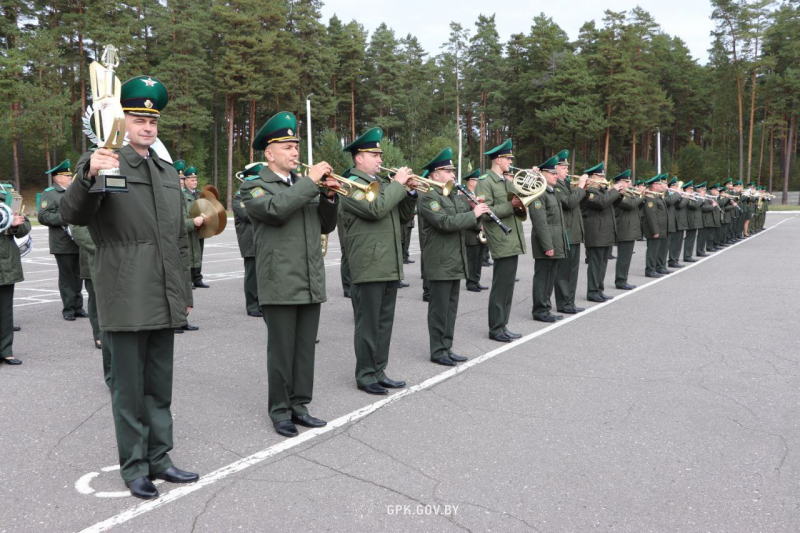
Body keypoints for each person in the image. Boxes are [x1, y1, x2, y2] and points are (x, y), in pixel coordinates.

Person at [61, 75, 198, 500]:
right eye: (139, 119)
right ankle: (135, 466)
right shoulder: (105, 160)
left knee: (160, 384)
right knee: (128, 388)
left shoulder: (164, 168)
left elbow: (177, 238)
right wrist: (87, 175)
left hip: (162, 291)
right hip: (123, 292)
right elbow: (73, 213)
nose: (147, 127)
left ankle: (161, 458)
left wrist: (185, 295)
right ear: (123, 120)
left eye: (152, 121)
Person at [240, 112, 339, 437]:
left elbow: (326, 225)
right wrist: (311, 184)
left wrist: (329, 196)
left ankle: (300, 405)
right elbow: (276, 210)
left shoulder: (303, 185)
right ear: (269, 153)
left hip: (310, 279)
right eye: (287, 147)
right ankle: (280, 410)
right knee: (282, 351)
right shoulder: (254, 186)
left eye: (296, 146)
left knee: (305, 348)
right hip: (280, 282)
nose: (295, 152)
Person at [340, 127, 416, 395]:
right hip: (369, 264)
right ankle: (365, 374)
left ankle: (379, 370)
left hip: (388, 262)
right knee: (368, 324)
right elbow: (375, 209)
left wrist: (410, 191)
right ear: (359, 157)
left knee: (384, 323)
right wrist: (397, 184)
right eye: (374, 154)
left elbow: (404, 216)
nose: (380, 159)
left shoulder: (383, 185)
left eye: (380, 154)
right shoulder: (349, 184)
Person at [418, 148, 488, 365]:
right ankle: (437, 350)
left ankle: (447, 347)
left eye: (452, 171)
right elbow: (445, 223)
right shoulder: (429, 196)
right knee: (439, 310)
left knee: (450, 308)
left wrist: (475, 209)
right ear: (434, 175)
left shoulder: (454, 196)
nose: (452, 175)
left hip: (455, 259)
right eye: (447, 171)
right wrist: (472, 213)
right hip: (440, 261)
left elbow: (465, 222)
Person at [475, 139, 525, 343]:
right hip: (501, 237)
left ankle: (503, 324)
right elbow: (486, 213)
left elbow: (520, 202)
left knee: (508, 286)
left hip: (512, 237)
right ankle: (495, 327)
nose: (511, 162)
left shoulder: (507, 181)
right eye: (508, 158)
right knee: (500, 286)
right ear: (498, 159)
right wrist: (511, 205)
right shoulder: (484, 181)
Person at [38, 160, 87, 321]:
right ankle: (68, 308)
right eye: (67, 175)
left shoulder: (73, 191)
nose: (70, 177)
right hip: (62, 242)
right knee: (67, 277)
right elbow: (43, 217)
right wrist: (66, 218)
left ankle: (78, 307)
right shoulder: (50, 193)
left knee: (79, 276)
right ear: (58, 178)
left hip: (77, 241)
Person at [530, 155, 568, 322]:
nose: (556, 176)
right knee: (542, 278)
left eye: (556, 173)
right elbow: (540, 223)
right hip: (546, 243)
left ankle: (545, 307)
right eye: (553, 173)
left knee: (550, 277)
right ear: (543, 174)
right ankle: (539, 310)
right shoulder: (539, 194)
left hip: (555, 242)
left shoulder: (552, 192)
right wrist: (547, 245)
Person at [581, 162, 622, 302]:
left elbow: (611, 204)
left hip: (605, 232)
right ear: (592, 177)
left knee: (602, 264)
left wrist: (619, 194)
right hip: (596, 233)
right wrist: (614, 190)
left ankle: (599, 290)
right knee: (595, 265)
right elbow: (601, 203)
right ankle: (592, 292)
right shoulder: (590, 192)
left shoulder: (603, 191)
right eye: (600, 176)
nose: (603, 178)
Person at [553, 150, 587, 314]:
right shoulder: (556, 187)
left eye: (567, 168)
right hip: (566, 233)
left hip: (574, 233)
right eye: (564, 168)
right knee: (564, 272)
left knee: (573, 271)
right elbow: (569, 203)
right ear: (556, 168)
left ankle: (570, 302)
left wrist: (581, 189)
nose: (567, 171)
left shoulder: (565, 184)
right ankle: (563, 303)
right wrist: (580, 187)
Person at [0, 208, 30, 365]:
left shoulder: (8, 203)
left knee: (5, 311)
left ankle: (6, 352)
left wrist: (15, 225)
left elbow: (25, 227)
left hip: (6, 263)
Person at [233, 163, 263, 317]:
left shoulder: (257, 192)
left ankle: (262, 303)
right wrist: (264, 210)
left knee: (263, 273)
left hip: (261, 238)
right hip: (249, 240)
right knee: (252, 275)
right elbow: (245, 214)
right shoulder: (240, 194)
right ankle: (252, 305)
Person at [612, 170, 641, 290]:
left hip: (629, 229)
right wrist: (640, 195)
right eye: (626, 182)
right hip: (624, 229)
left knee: (627, 257)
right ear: (620, 183)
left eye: (629, 182)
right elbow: (630, 205)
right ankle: (620, 281)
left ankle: (623, 279)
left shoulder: (627, 194)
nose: (629, 184)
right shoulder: (617, 195)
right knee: (623, 257)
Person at [182, 166, 209, 289]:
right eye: (192, 180)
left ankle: (197, 278)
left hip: (200, 228)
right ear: (186, 180)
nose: (195, 182)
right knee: (189, 254)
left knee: (198, 253)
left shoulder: (199, 194)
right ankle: (189, 279)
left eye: (196, 180)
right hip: (190, 226)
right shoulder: (182, 194)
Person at [463, 169, 488, 292]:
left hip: (480, 232)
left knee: (479, 259)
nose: (478, 182)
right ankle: (471, 282)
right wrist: (480, 227)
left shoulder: (478, 194)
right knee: (472, 259)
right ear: (470, 181)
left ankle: (476, 280)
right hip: (471, 233)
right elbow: (466, 214)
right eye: (476, 180)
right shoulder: (464, 195)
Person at [643, 175, 669, 278]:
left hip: (660, 228)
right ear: (654, 185)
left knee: (657, 249)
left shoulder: (657, 196)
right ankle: (650, 270)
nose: (661, 186)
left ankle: (655, 268)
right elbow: (651, 216)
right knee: (652, 250)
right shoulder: (650, 197)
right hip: (654, 229)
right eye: (659, 184)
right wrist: (655, 231)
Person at [666, 177, 689, 269]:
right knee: (670, 243)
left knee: (678, 242)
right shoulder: (669, 194)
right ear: (671, 186)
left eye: (677, 186)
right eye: (675, 186)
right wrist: (686, 198)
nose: (677, 188)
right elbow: (679, 206)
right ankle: (671, 260)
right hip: (671, 221)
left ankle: (675, 259)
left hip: (679, 221)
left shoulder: (676, 195)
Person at [681, 181, 701, 263]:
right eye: (690, 188)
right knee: (689, 239)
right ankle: (687, 256)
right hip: (689, 220)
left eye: (692, 188)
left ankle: (689, 255)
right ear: (686, 189)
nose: (692, 190)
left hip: (694, 220)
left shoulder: (691, 196)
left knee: (692, 238)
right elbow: (694, 206)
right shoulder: (685, 197)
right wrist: (700, 198)